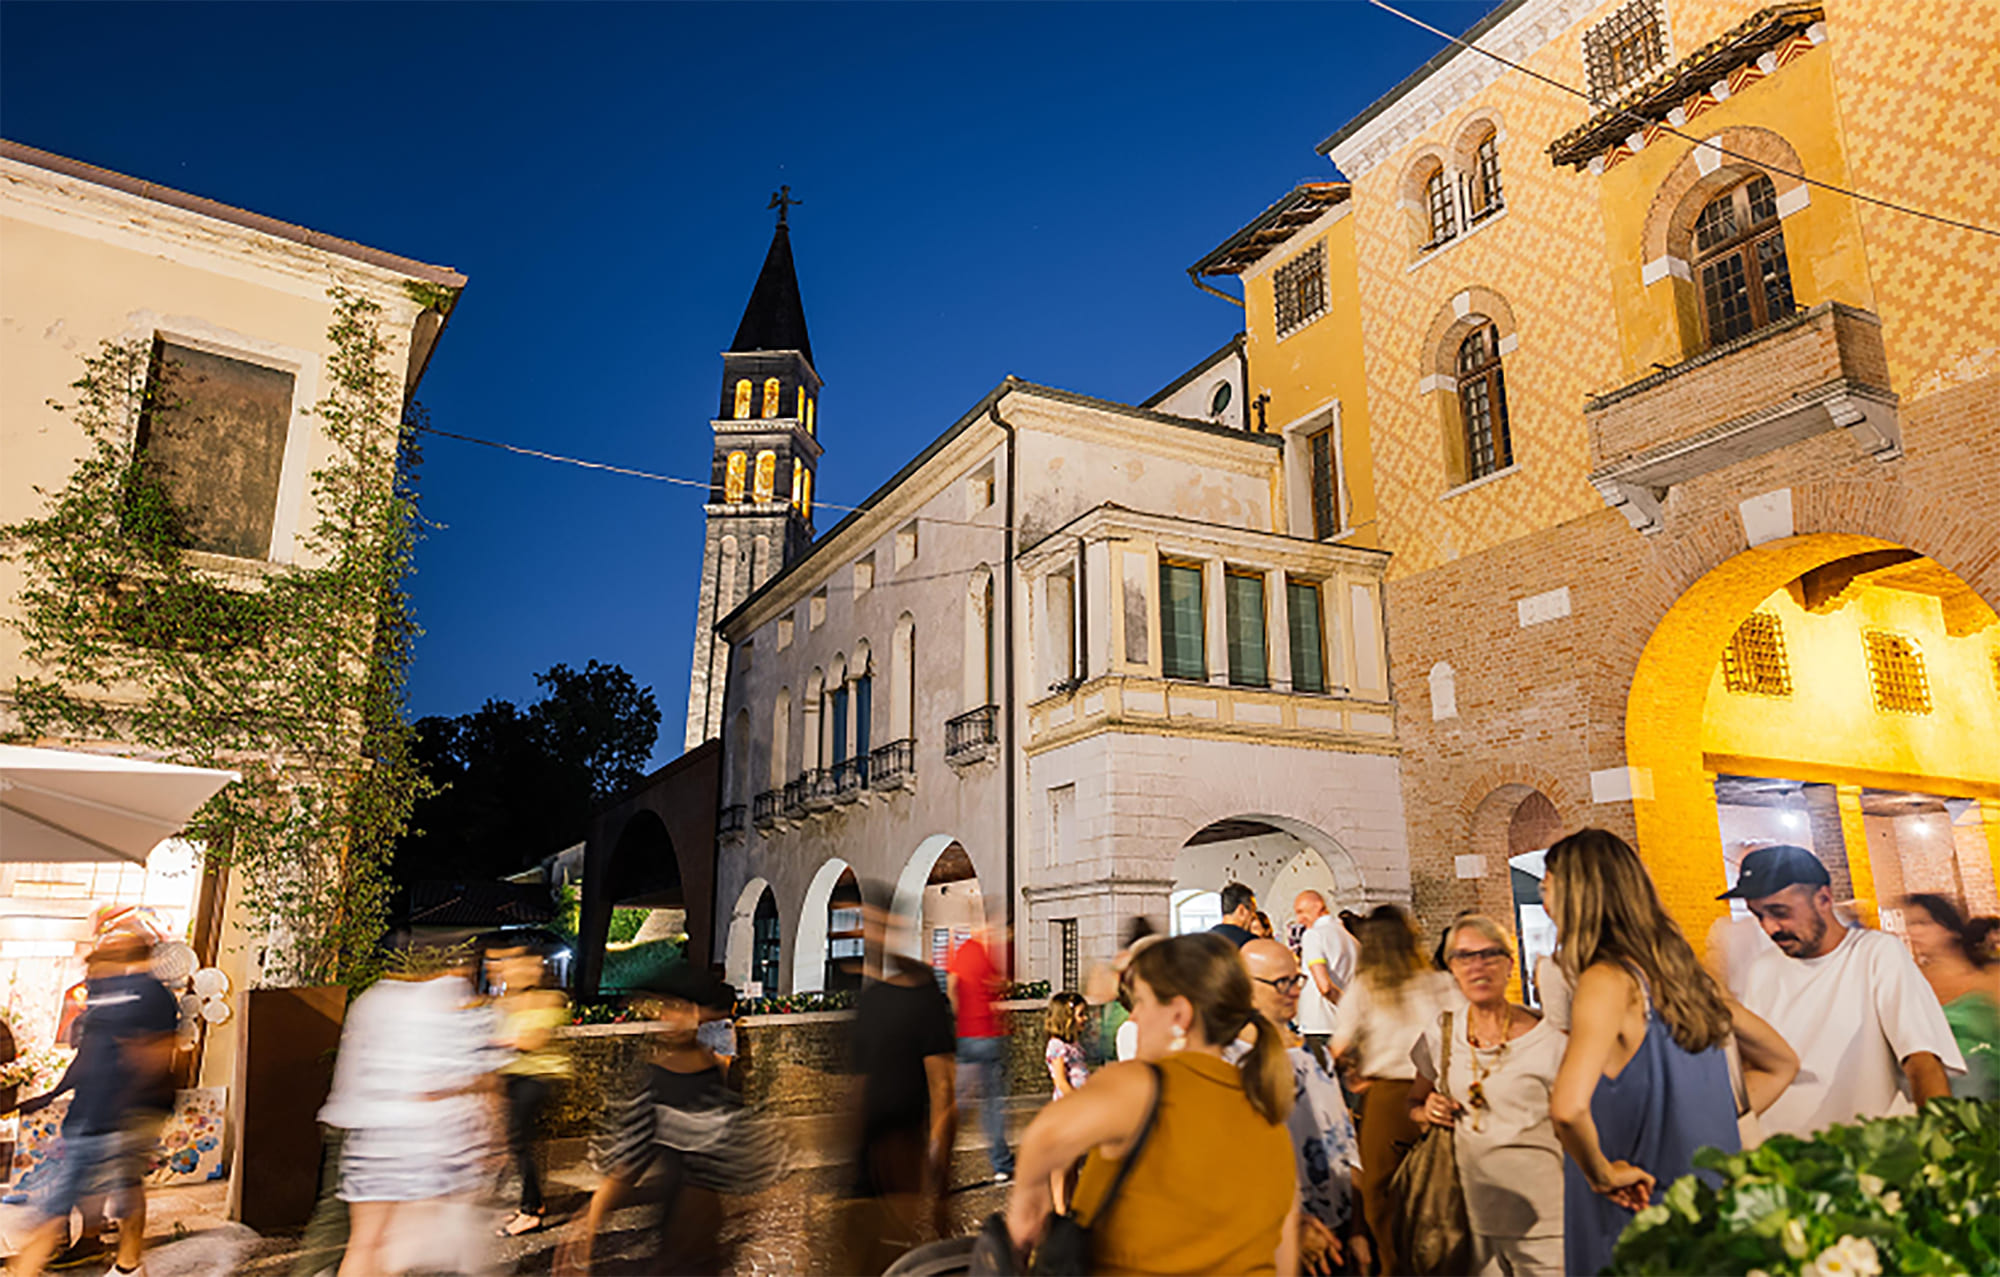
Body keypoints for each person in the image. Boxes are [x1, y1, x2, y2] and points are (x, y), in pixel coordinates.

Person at [1547, 829, 1797, 1277]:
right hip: (1704, 1204)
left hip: (1636, 1212)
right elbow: (1783, 1064)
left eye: (1547, 886)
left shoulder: (1606, 981)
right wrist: (1712, 1122)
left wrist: (1602, 1174)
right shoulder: (1690, 984)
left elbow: (1567, 1108)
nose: (1545, 900)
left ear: (1575, 893)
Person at [1004, 933, 1299, 1276]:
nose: (1135, 1018)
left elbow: (1045, 1136)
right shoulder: (1271, 1118)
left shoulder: (1143, 1085)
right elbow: (1285, 1261)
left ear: (1180, 1014)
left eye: (1142, 1001)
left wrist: (1027, 1212)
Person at [1715, 844, 1961, 1136]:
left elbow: (1921, 1058)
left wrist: (1942, 1141)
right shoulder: (1762, 968)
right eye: (1759, 916)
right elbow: (1753, 1063)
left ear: (1824, 898)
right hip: (1778, 1154)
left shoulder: (1876, 953)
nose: (1770, 928)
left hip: (1861, 1154)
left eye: (1779, 912)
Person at [558, 965, 781, 1276]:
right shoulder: (658, 1079)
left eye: (679, 1008)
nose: (669, 1018)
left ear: (699, 1014)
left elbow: (739, 1155)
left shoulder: (711, 1077)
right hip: (676, 1237)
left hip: (705, 1239)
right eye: (664, 1008)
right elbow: (631, 1160)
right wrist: (590, 1220)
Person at [319, 941, 499, 1277]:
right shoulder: (455, 1002)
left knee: (364, 1243)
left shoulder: (372, 999)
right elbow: (465, 1078)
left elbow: (350, 1072)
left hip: (370, 1143)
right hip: (424, 1149)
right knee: (413, 1250)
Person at [7, 933, 177, 1277]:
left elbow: (155, 1057)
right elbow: (89, 1057)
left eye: (97, 963)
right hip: (90, 1116)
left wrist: (126, 1114)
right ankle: (121, 1263)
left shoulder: (149, 995)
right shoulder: (106, 996)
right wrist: (51, 1096)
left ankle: (122, 1265)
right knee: (114, 1191)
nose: (90, 974)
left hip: (115, 1119)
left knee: (69, 1201)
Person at [1407, 915, 1565, 1277]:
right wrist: (1427, 1110)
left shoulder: (1553, 1040)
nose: (1477, 966)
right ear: (1452, 969)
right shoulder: (1441, 1034)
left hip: (1547, 1221)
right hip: (1467, 1218)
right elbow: (1413, 1103)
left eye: (1489, 954)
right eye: (1464, 957)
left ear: (1510, 964)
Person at [1327, 904, 1454, 1277]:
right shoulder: (1439, 983)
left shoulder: (1366, 987)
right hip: (1437, 1094)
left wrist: (1356, 1073)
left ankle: (1394, 1266)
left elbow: (1338, 1047)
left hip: (1386, 1099)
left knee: (1381, 1195)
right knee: (1441, 1186)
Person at [844, 897, 958, 1274]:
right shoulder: (871, 1000)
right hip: (865, 1163)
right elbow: (860, 1086)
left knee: (895, 1258)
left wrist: (939, 1179)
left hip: (901, 1158)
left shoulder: (923, 997)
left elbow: (943, 1089)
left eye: (875, 924)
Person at [1241, 939, 1362, 1277]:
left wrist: (1358, 1228)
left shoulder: (1316, 1054)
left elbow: (1345, 1142)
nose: (1293, 990)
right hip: (1275, 1237)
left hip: (1335, 1226)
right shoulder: (1232, 1061)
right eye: (1281, 982)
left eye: (1296, 979)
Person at [489, 942, 572, 1238]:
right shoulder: (511, 1001)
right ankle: (533, 1204)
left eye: (528, 965)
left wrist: (501, 1042)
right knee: (520, 1144)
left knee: (520, 1143)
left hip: (539, 1078)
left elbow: (535, 1040)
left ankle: (529, 1211)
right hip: (519, 1076)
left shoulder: (550, 999)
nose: (522, 971)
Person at [1899, 893, 1997, 1101]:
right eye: (1910, 924)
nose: (1913, 932)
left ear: (1949, 929)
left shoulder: (1987, 978)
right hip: (1940, 1096)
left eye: (1922, 923)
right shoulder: (1913, 981)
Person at [946, 920, 1013, 1183]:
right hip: (990, 1036)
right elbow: (999, 985)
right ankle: (1001, 1165)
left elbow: (952, 986)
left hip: (967, 1036)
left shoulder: (962, 952)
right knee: (992, 1106)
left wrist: (957, 1015)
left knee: (959, 1103)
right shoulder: (986, 956)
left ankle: (937, 1158)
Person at [1293, 891, 1357, 1066]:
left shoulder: (1314, 936)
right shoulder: (1352, 941)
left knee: (1321, 1089)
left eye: (1301, 912)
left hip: (1319, 1027)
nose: (1299, 920)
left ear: (1318, 906)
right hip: (1345, 1030)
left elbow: (1325, 987)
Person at [1042, 990, 1090, 1213]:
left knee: (1074, 1160)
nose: (1085, 1019)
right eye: (1081, 1015)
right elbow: (1061, 1080)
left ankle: (1072, 1201)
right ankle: (1060, 1207)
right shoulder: (1057, 1046)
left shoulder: (1075, 1045)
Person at [1210, 883, 1260, 948]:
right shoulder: (1250, 942)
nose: (1254, 916)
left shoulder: (1205, 940)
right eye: (1253, 910)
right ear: (1241, 911)